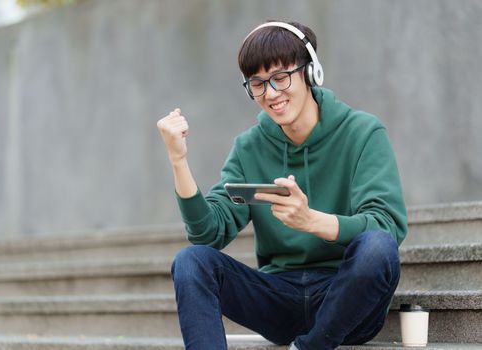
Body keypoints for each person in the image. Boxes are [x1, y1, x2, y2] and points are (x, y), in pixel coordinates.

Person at [156, 20, 407, 350]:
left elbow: (387, 226)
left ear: (311, 72)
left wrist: (311, 221)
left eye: (280, 77)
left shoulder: (362, 133)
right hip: (278, 298)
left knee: (378, 247)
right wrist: (178, 160)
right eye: (257, 83)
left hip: (346, 302)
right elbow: (207, 233)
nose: (270, 93)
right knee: (191, 261)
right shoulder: (249, 147)